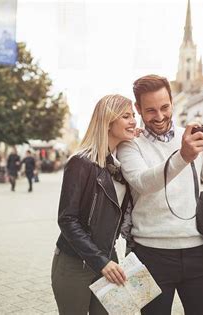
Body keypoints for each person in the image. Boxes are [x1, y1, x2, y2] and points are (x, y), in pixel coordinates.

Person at [118, 75, 203, 315]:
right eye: (150, 110)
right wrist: (183, 157)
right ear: (138, 109)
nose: (159, 116)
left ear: (172, 102)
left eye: (165, 107)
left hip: (200, 252)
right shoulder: (130, 145)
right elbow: (142, 182)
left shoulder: (194, 138)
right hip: (149, 256)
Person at [52, 94, 137, 315]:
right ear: (108, 121)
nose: (134, 121)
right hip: (74, 264)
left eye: (134, 116)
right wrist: (100, 261)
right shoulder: (81, 162)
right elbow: (67, 219)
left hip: (108, 260)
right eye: (126, 116)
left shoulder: (118, 167)